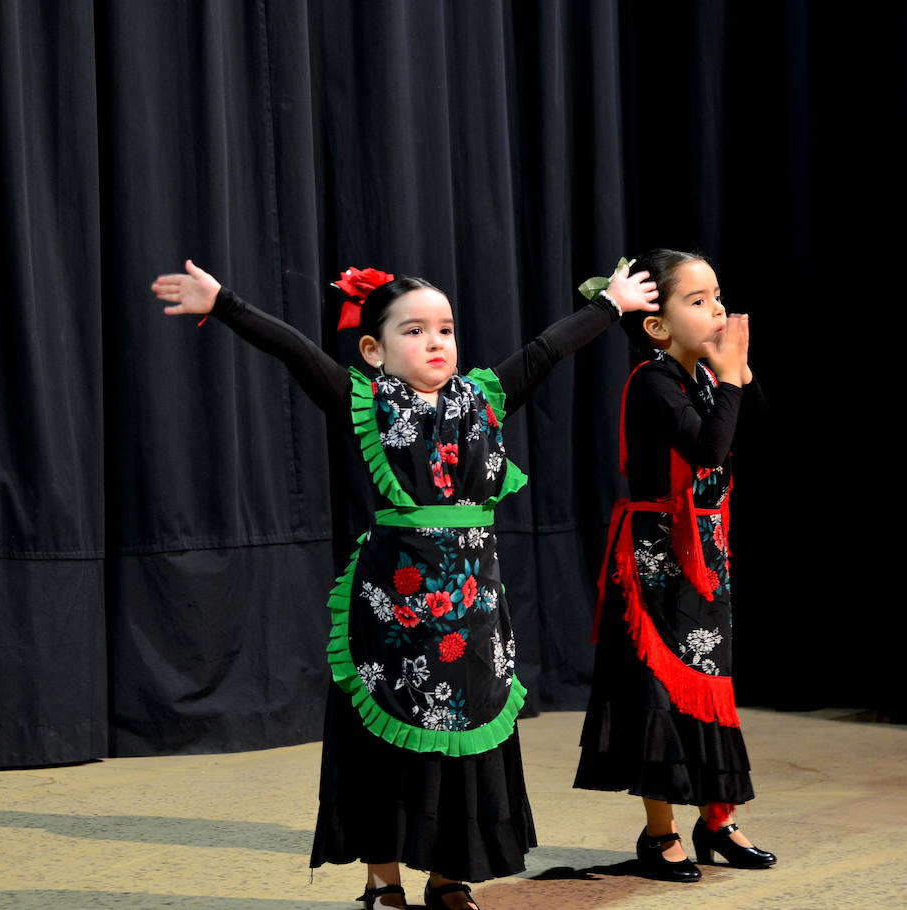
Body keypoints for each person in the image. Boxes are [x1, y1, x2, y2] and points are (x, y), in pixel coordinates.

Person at [153, 259, 657, 910]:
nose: (435, 342)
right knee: (387, 738)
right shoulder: (366, 400)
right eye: (414, 331)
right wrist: (225, 303)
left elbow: (546, 349)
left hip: (472, 612)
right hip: (395, 611)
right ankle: (383, 881)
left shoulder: (483, 398)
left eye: (445, 329)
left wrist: (610, 305)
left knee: (464, 738)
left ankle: (450, 876)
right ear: (375, 350)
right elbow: (296, 352)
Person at [572, 248, 775, 882]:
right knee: (655, 692)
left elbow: (756, 430)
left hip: (706, 554)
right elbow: (709, 449)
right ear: (657, 326)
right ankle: (658, 833)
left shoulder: (709, 378)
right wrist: (731, 377)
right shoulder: (652, 381)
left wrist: (737, 374)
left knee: (712, 684)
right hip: (655, 558)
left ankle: (718, 820)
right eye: (698, 300)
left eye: (717, 296)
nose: (717, 308)